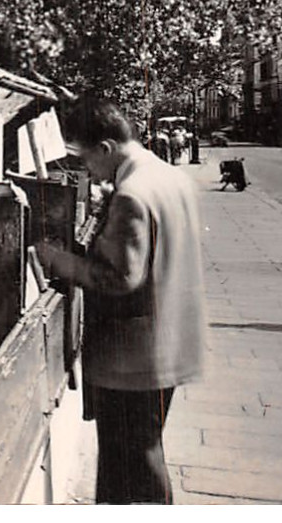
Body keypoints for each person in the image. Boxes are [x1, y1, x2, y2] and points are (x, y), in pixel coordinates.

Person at [38, 98, 207, 504]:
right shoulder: (170, 177)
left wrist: (57, 260)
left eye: (85, 159)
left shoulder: (132, 194)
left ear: (106, 149)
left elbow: (118, 278)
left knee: (134, 459)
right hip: (170, 341)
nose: (87, 170)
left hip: (135, 357)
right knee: (132, 457)